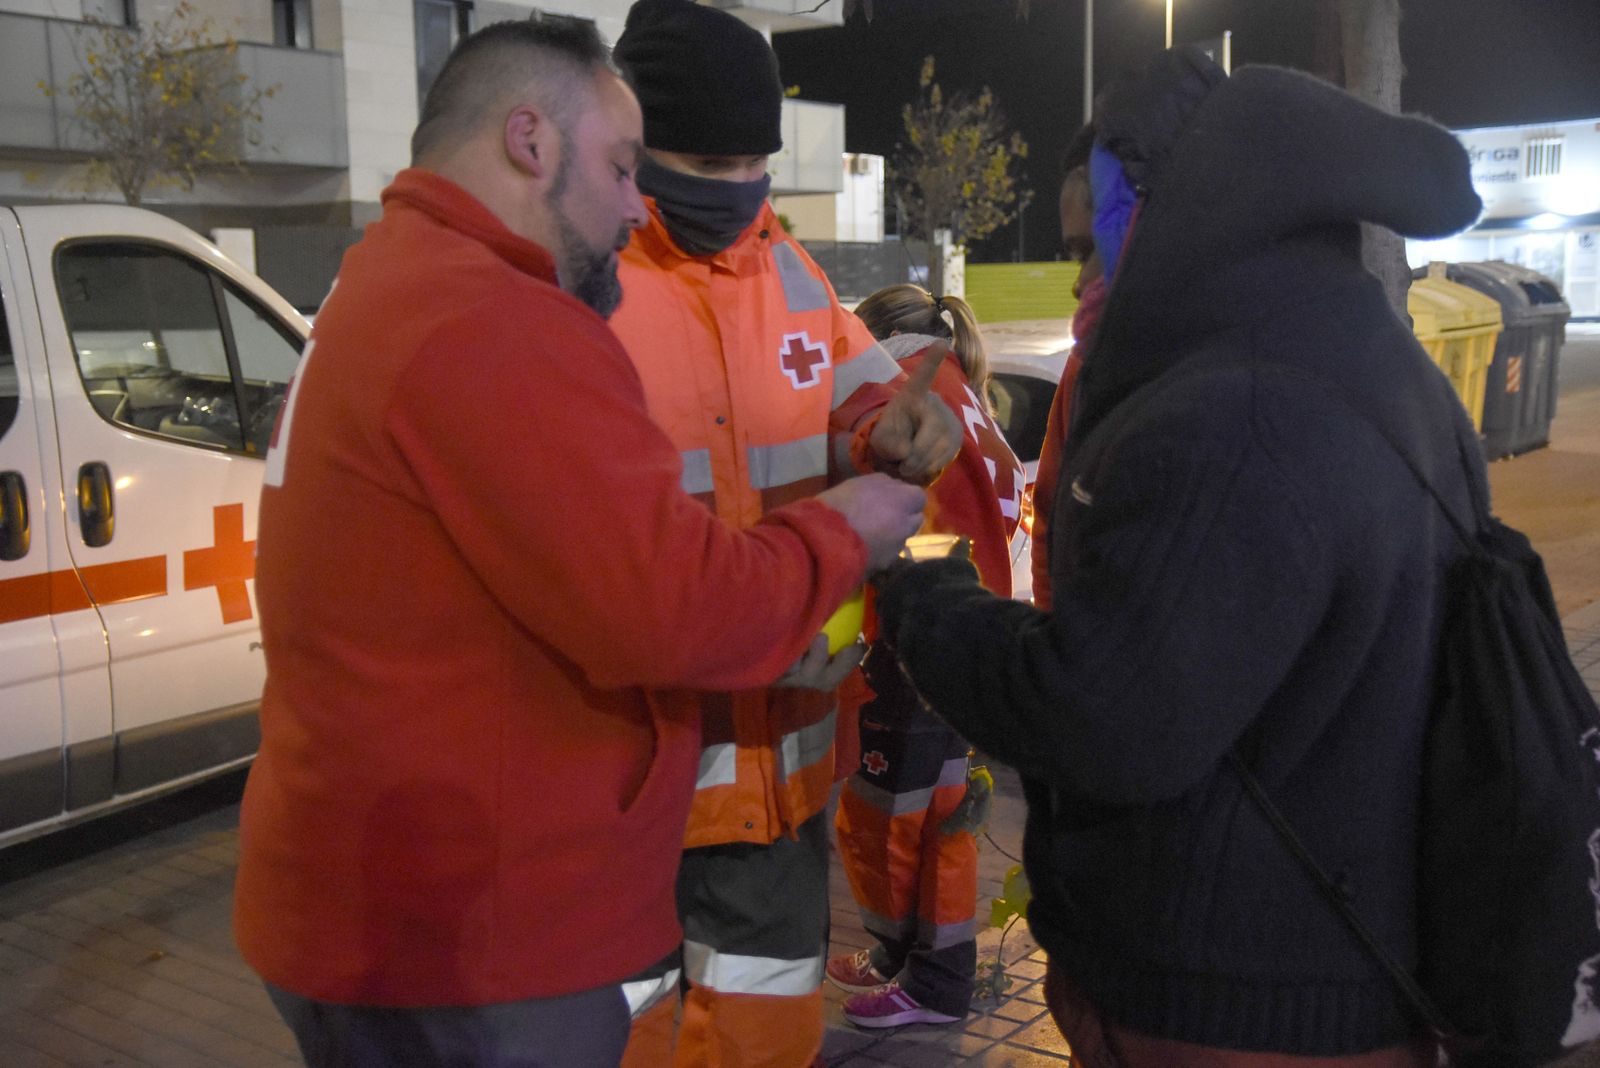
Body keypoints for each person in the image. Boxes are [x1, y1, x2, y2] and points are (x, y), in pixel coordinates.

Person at [232, 19, 927, 1068]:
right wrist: (845, 528)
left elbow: (840, 374)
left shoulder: (397, 282)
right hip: (482, 928)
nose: (636, 198)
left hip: (445, 891)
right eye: (623, 163)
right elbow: (674, 606)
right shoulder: (496, 315)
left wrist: (890, 422)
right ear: (528, 141)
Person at [872, 46, 1486, 1067]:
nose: (1079, 282)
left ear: (1160, 214)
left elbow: (1102, 719)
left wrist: (922, 586)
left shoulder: (1230, 418)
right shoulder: (1368, 363)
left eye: (1086, 246)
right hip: (1345, 966)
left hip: (1230, 1012)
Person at [606, 2, 963, 1064]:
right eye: (708, 157)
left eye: (754, 160)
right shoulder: (572, 286)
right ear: (630, 141)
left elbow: (866, 411)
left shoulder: (791, 273)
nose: (737, 187)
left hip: (783, 781)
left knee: (765, 1042)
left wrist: (903, 427)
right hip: (630, 794)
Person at [826, 284, 1026, 1029]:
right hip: (961, 633)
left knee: (911, 819)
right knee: (929, 814)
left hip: (919, 638)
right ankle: (906, 956)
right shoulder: (961, 393)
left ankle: (934, 980)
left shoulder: (907, 398)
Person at [1029, 161, 1107, 610]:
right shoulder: (1082, 370)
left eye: (1093, 249)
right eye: (1077, 255)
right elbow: (1049, 518)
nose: (1080, 283)